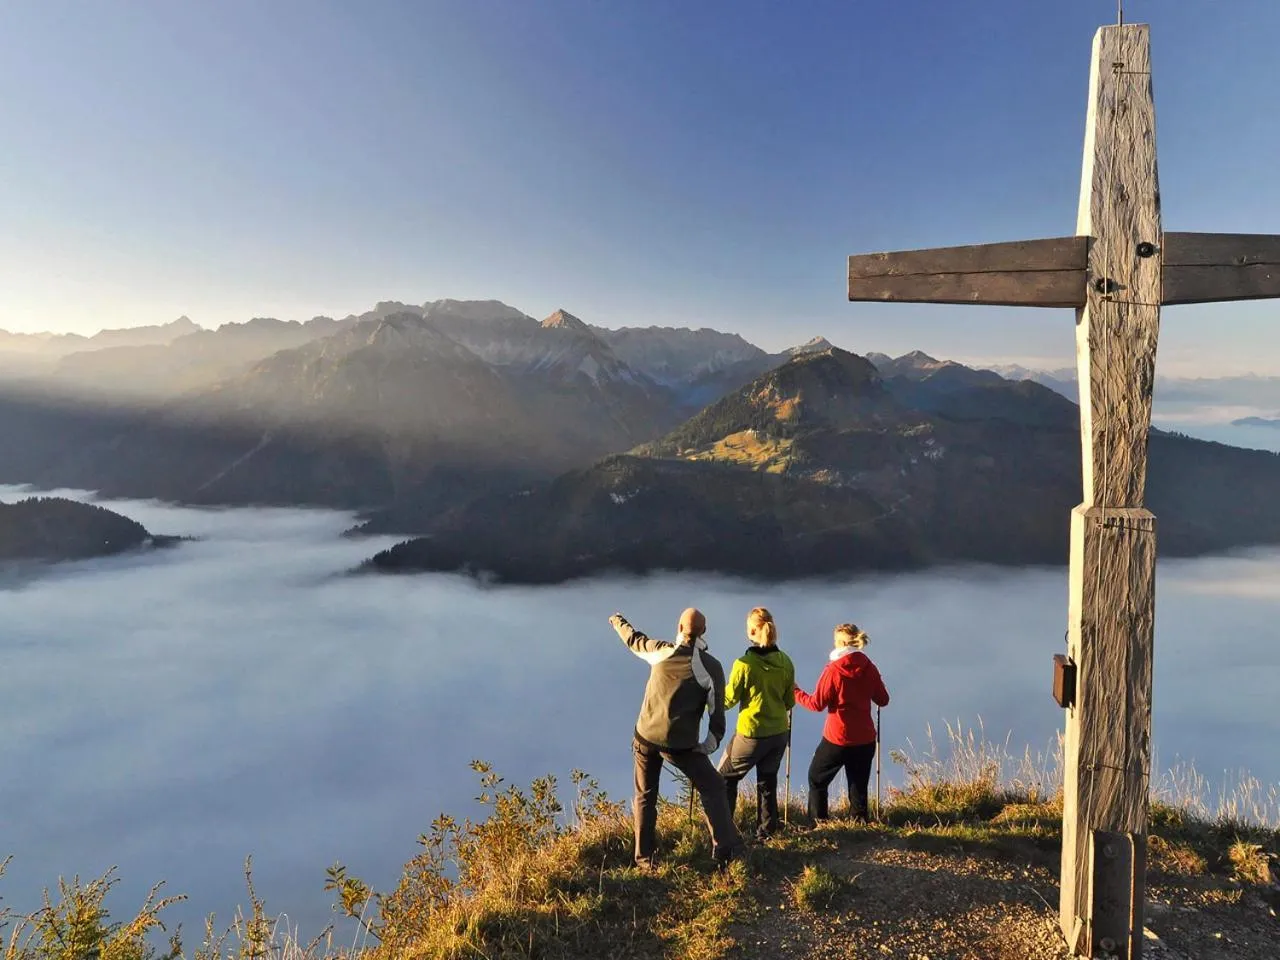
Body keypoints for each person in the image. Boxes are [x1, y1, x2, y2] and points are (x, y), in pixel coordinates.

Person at [609, 608, 744, 869]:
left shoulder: (659, 651)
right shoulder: (710, 667)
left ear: (679, 627)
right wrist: (706, 747)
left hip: (645, 737)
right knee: (714, 787)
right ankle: (725, 851)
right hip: (680, 745)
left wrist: (617, 620)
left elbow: (633, 639)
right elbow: (717, 716)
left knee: (645, 796)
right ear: (703, 632)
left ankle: (645, 860)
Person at [794, 622, 890, 822]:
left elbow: (816, 704)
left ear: (840, 643)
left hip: (838, 738)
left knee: (817, 778)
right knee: (858, 784)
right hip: (865, 738)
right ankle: (859, 824)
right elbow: (883, 699)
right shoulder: (869, 667)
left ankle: (818, 823)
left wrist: (795, 692)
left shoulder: (833, 670)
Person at [717, 607, 795, 839]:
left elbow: (729, 700)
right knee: (767, 781)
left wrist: (706, 699)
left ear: (751, 631)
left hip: (751, 734)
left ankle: (724, 831)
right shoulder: (785, 661)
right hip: (779, 732)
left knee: (724, 778)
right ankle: (767, 832)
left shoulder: (744, 664)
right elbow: (789, 701)